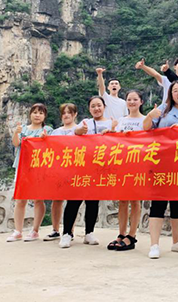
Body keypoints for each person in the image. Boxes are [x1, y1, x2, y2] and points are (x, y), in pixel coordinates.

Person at [143, 81, 178, 259]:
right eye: (175, 91)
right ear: (171, 95)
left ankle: (176, 242)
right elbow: (146, 127)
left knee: (177, 203)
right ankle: (154, 245)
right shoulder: (163, 109)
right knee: (158, 202)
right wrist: (150, 115)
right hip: (161, 162)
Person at [59, 96, 114, 248]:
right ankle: (67, 233)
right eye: (93, 106)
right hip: (81, 168)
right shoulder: (86, 123)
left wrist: (113, 131)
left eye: (99, 105)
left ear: (104, 107)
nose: (96, 108)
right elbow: (72, 136)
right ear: (89, 109)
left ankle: (89, 232)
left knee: (93, 201)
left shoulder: (111, 122)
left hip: (99, 168)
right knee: (73, 200)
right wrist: (78, 131)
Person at [6, 103, 53, 242]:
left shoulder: (47, 130)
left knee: (38, 199)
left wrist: (45, 139)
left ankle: (35, 230)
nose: (37, 115)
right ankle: (18, 231)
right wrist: (16, 132)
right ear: (30, 114)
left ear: (44, 116)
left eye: (41, 113)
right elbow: (16, 144)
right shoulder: (23, 129)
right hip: (22, 167)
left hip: (40, 168)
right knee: (20, 199)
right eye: (35, 112)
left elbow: (52, 146)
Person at [107, 90, 146, 252]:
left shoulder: (145, 120)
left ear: (141, 102)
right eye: (129, 99)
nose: (132, 102)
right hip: (123, 163)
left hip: (139, 164)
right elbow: (115, 140)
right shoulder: (121, 121)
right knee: (122, 200)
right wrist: (111, 131)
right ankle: (121, 233)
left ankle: (132, 235)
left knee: (135, 200)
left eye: (135, 99)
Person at [42, 103, 79, 241]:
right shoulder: (56, 132)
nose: (66, 115)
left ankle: (70, 231)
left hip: (75, 170)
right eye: (64, 113)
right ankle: (55, 229)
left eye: (69, 112)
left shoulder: (80, 129)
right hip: (59, 170)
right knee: (56, 200)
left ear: (75, 114)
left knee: (72, 201)